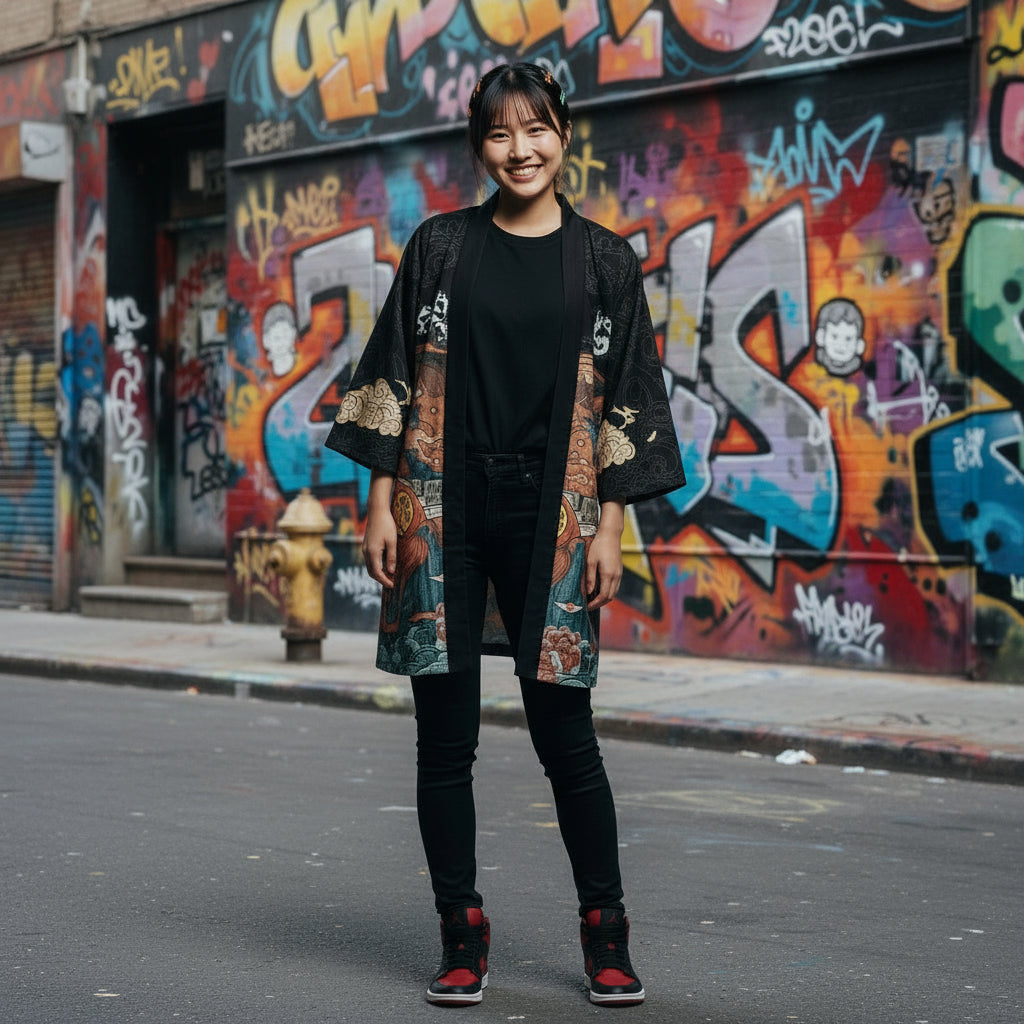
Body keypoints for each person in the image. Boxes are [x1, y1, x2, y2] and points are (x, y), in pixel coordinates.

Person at [325, 62, 685, 1007]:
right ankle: (461, 929)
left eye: (535, 130)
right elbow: (391, 379)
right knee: (444, 740)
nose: (518, 150)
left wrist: (612, 527)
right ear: (478, 146)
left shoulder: (607, 263)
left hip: (558, 517)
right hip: (442, 512)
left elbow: (627, 403)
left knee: (566, 734)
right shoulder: (440, 247)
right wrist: (377, 503)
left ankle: (604, 929)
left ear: (565, 134)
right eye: (498, 134)